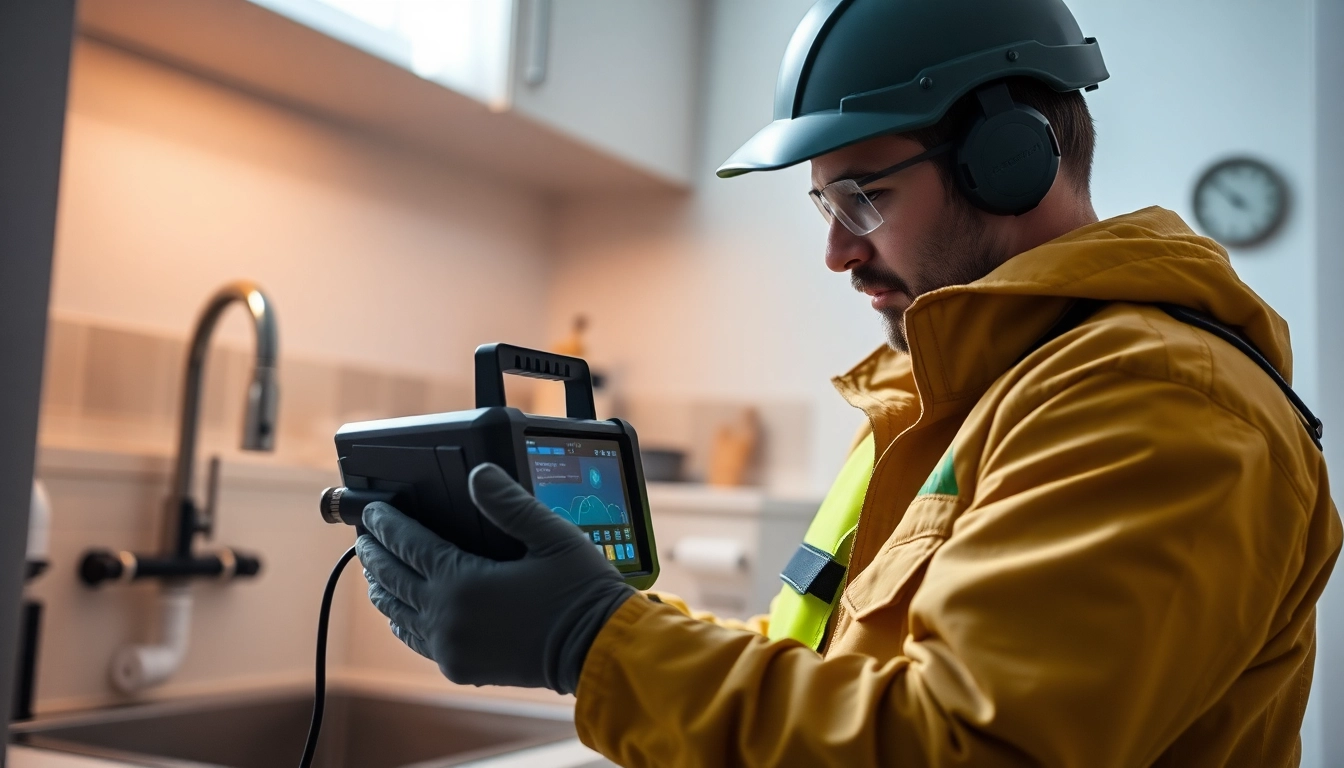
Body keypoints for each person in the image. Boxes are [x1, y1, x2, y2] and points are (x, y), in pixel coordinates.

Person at [355, 0, 1343, 764]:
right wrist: (601, 621)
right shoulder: (958, 395)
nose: (836, 251)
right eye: (824, 202)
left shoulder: (1154, 400)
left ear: (1011, 161)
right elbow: (837, 672)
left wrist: (589, 641)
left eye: (863, 197)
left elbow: (964, 749)